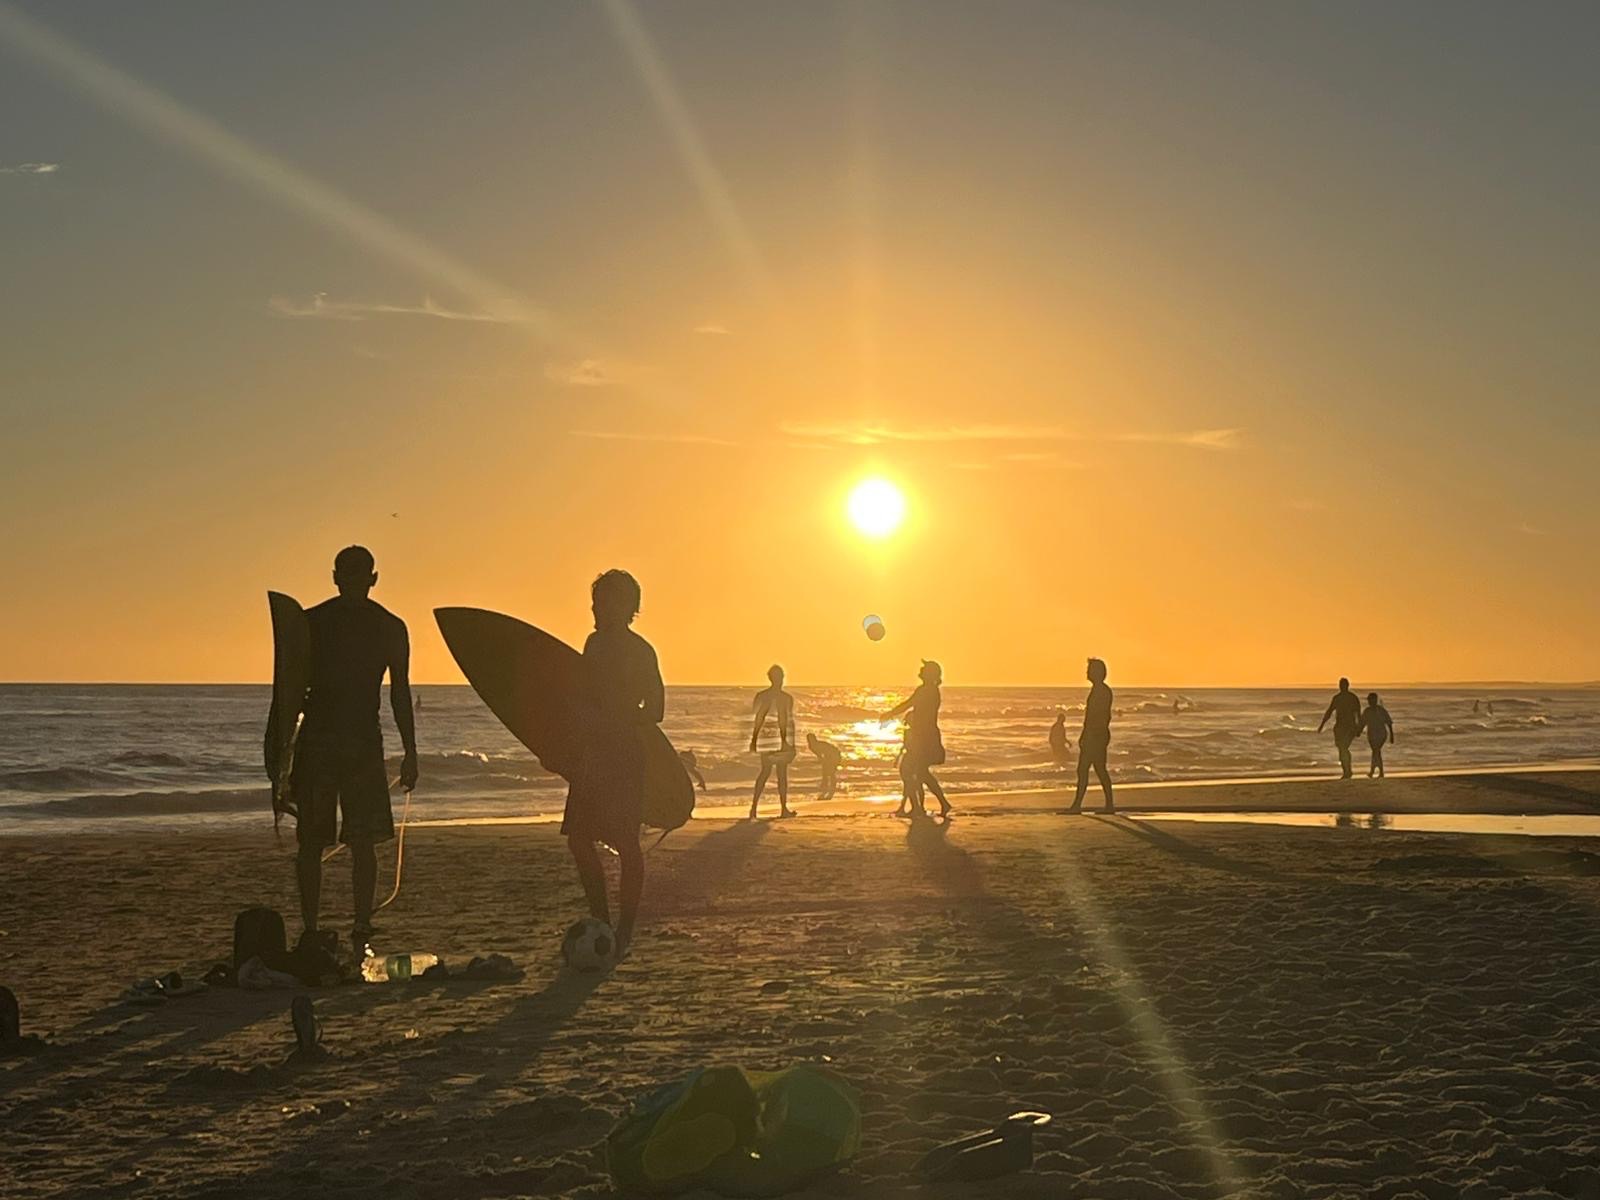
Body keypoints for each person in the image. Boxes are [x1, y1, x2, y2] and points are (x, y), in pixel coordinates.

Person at [267, 546, 418, 959]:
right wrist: (280, 760)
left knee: (360, 840)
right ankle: (314, 927)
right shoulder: (312, 624)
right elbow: (288, 694)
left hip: (357, 743)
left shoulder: (387, 628)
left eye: (358, 575)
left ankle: (360, 924)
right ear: (337, 577)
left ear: (372, 578)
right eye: (347, 575)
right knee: (313, 842)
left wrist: (411, 750)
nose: (352, 582)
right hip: (322, 741)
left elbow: (400, 692)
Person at [563, 569, 662, 959]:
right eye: (594, 600)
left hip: (622, 755)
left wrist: (617, 720)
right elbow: (582, 698)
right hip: (591, 755)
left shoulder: (641, 651)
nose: (594, 608)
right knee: (579, 839)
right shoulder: (593, 644)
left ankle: (624, 929)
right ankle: (601, 919)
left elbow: (656, 709)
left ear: (627, 607)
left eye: (603, 601)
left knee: (625, 843)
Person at [884, 661, 950, 819]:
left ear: (929, 673)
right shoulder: (930, 690)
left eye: (924, 668)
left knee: (915, 771)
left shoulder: (927, 691)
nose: (920, 669)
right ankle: (921, 807)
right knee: (915, 771)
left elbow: (908, 704)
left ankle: (928, 806)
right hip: (923, 736)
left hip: (924, 738)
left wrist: (890, 714)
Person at [749, 665, 797, 819]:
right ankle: (778, 809)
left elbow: (760, 719)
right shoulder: (783, 698)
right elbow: (779, 719)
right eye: (779, 677)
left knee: (770, 773)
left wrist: (755, 739)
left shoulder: (764, 696)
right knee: (775, 773)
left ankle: (757, 808)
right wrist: (786, 742)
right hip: (774, 739)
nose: (781, 680)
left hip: (770, 739)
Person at [1070, 658, 1113, 813]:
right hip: (1096, 735)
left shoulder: (1102, 691)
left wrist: (1090, 735)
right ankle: (1108, 805)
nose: (1087, 673)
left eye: (1089, 670)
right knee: (1096, 769)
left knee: (1085, 769)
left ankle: (1078, 806)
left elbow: (1100, 717)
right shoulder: (1100, 690)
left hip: (1095, 735)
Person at [1317, 677, 1363, 779]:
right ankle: (1346, 770)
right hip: (1339, 726)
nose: (1342, 687)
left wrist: (1359, 728)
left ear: (1347, 686)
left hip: (1350, 727)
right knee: (1341, 748)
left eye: (1343, 685)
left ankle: (1348, 770)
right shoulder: (1337, 698)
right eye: (1341, 685)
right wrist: (1322, 725)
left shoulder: (1353, 698)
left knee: (1344, 747)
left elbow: (1358, 714)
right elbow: (1329, 712)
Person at [1357, 692, 1395, 778]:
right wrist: (1359, 731)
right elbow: (1363, 723)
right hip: (1371, 735)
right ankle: (1377, 771)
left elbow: (1389, 722)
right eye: (1369, 700)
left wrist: (1392, 735)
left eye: (1371, 700)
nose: (1370, 702)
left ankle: (1375, 771)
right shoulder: (1367, 711)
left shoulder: (1381, 710)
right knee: (1376, 752)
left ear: (1375, 700)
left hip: (1381, 734)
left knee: (1376, 751)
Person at [806, 732, 842, 800]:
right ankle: (825, 786)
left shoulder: (818, 744)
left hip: (835, 754)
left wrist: (825, 761)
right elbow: (819, 755)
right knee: (825, 771)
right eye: (809, 739)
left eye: (811, 739)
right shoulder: (811, 746)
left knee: (830, 772)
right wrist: (822, 761)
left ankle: (831, 787)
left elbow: (825, 753)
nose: (810, 741)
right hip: (828, 756)